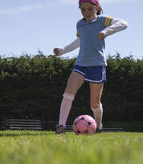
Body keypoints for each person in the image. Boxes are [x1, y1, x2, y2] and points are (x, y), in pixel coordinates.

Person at [53, 0, 128, 134]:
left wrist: (106, 32)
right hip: (80, 64)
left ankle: (98, 125)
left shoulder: (103, 20)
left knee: (94, 104)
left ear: (97, 8)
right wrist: (62, 50)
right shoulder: (80, 24)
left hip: (97, 66)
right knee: (68, 93)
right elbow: (79, 41)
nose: (86, 13)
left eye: (90, 9)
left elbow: (123, 23)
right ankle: (61, 126)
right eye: (83, 10)